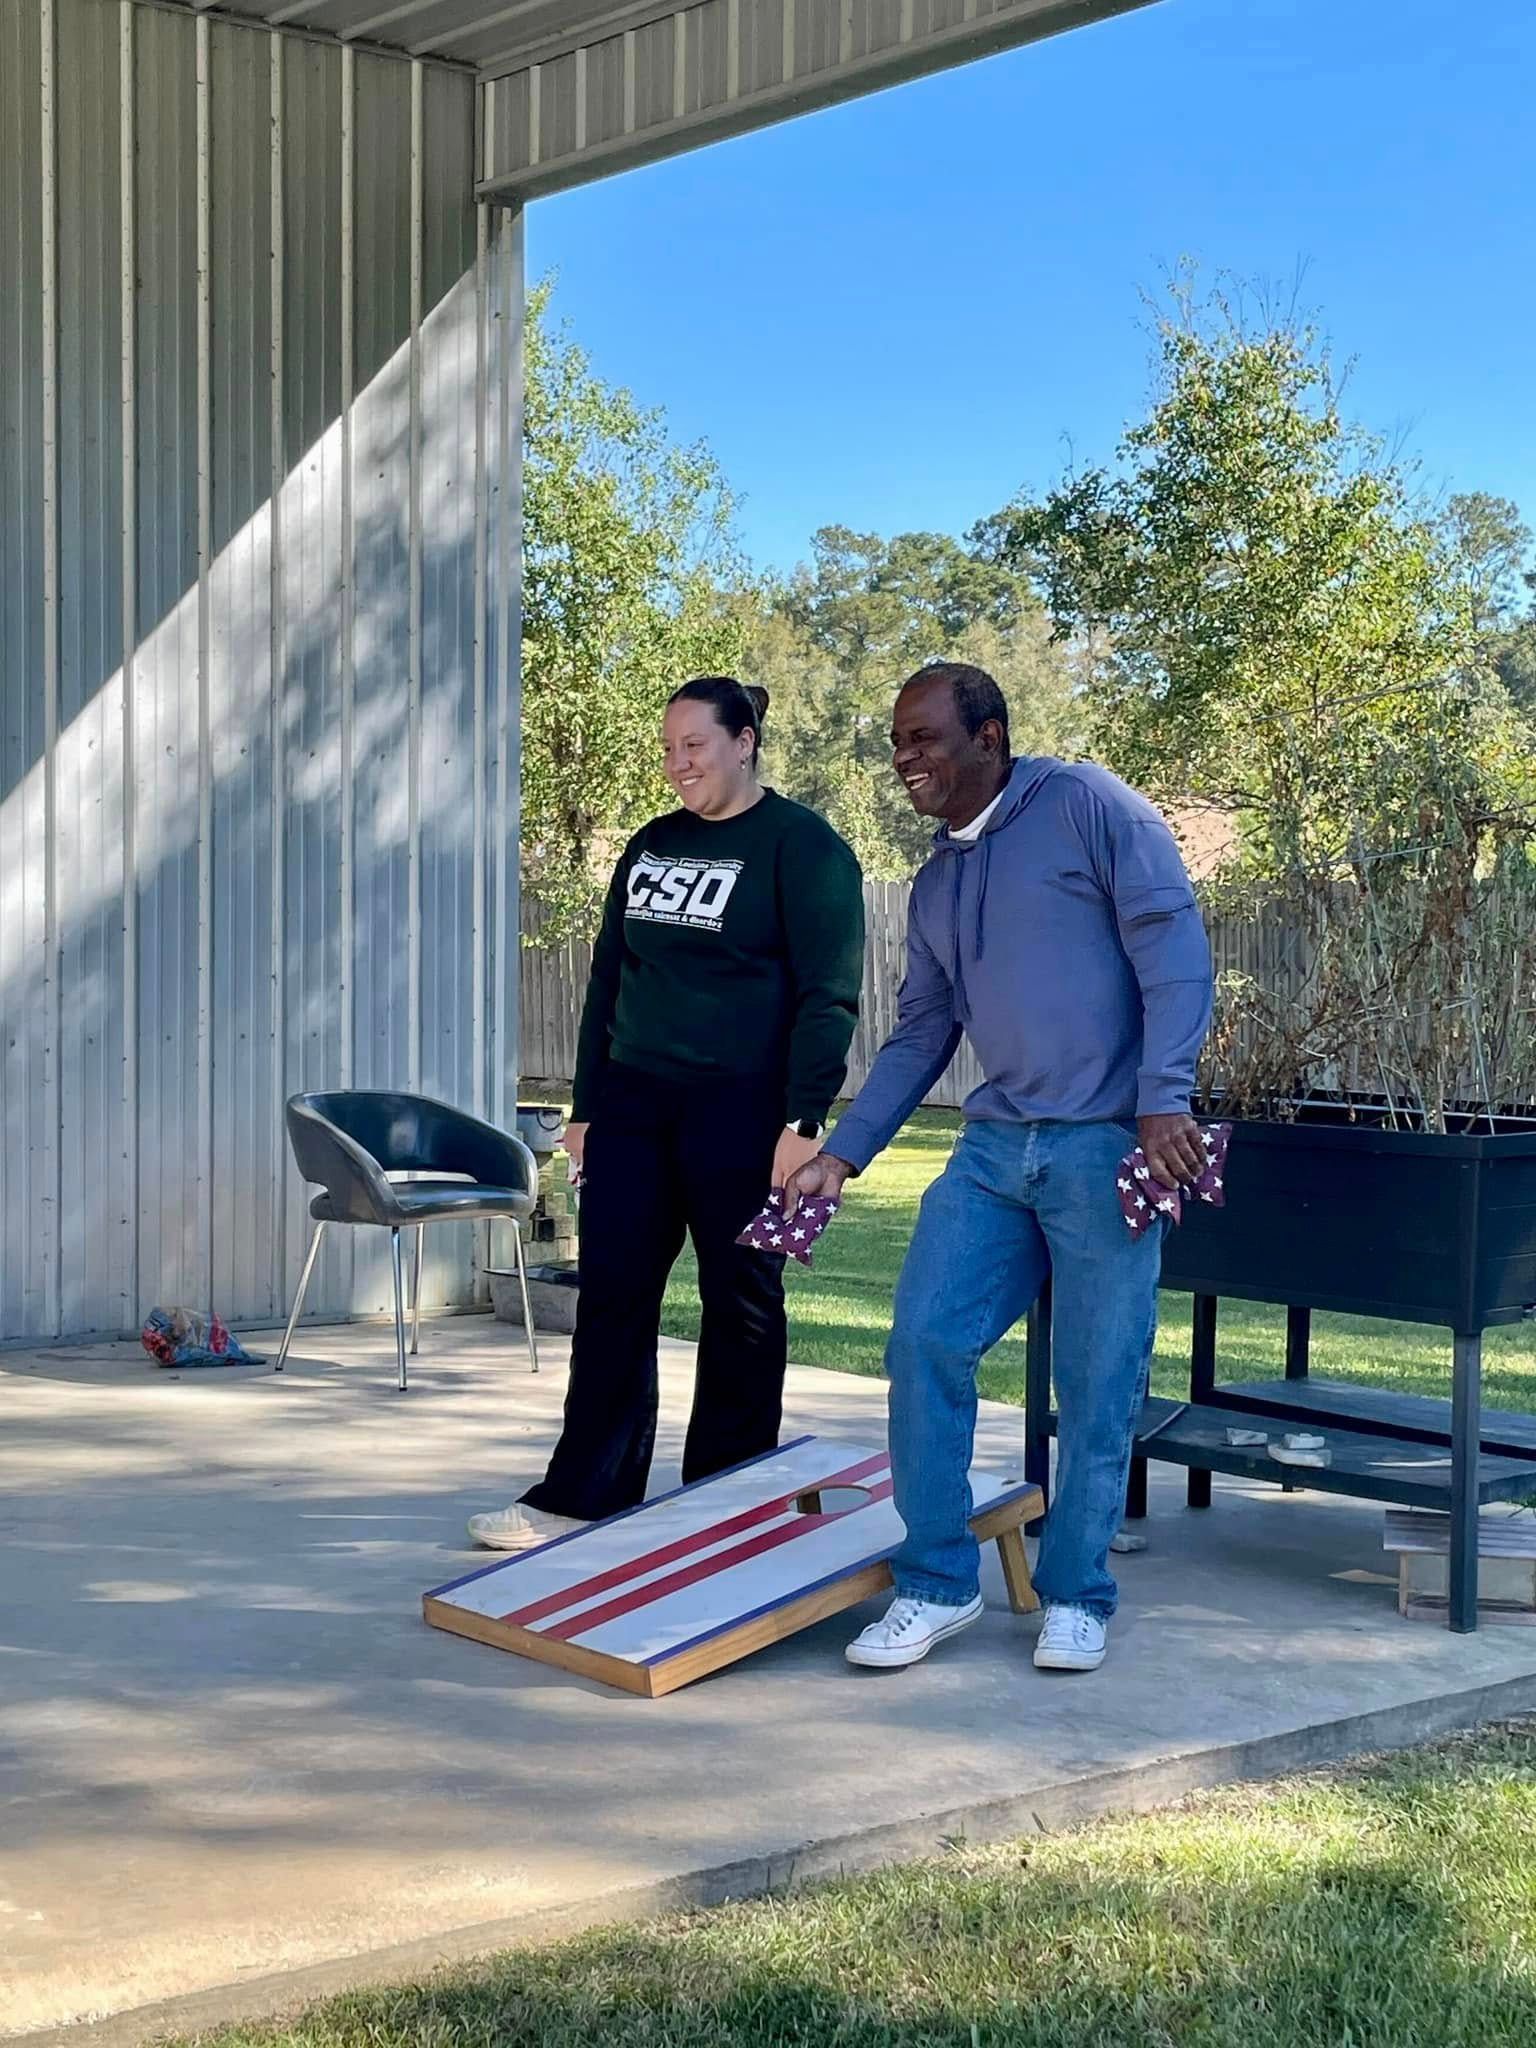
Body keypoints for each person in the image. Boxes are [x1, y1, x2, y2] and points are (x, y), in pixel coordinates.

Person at [786, 661, 1212, 1674]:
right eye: (898, 742)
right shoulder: (936, 879)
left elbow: (1172, 941)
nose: (907, 759)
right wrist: (844, 1150)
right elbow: (923, 1029)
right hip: (993, 1146)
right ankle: (935, 1583)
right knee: (925, 1340)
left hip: (1106, 1141)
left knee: (1098, 1378)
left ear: (992, 734)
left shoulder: (1086, 806)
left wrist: (1166, 1092)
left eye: (927, 737)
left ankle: (1076, 1594)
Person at [469, 677, 865, 1550]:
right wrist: (585, 1107)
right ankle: (583, 1492)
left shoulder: (804, 850)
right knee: (612, 1294)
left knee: (742, 1303)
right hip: (635, 1107)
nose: (678, 763)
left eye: (696, 745)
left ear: (745, 740)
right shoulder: (652, 845)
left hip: (747, 1112)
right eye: (669, 748)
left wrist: (802, 1122)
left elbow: (828, 997)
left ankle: (726, 1500)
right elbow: (608, 980)